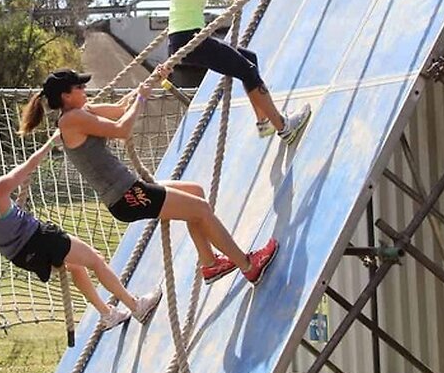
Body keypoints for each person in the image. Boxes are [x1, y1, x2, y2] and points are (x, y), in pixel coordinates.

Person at [20, 69, 278, 286]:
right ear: (66, 95)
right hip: (127, 196)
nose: (85, 90)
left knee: (195, 193)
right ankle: (248, 265)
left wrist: (152, 80)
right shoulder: (72, 120)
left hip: (131, 190)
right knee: (199, 209)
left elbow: (121, 108)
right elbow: (122, 129)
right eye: (79, 86)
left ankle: (210, 264)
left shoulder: (81, 111)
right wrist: (142, 99)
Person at [0, 132, 161, 333]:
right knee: (96, 260)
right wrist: (51, 142)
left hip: (21, 256)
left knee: (77, 267)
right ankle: (136, 306)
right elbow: (30, 165)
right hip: (40, 238)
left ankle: (107, 314)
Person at [161, 0, 311, 144]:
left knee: (248, 59)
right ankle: (283, 127)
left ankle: (264, 122)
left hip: (184, 38)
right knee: (247, 69)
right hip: (190, 37)